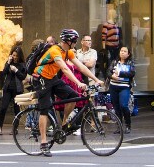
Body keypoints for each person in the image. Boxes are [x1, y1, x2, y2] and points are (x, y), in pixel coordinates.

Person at [33, 29, 102, 157]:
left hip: (52, 78)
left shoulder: (68, 52)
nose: (76, 43)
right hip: (41, 77)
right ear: (68, 41)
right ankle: (43, 143)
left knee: (74, 96)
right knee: (45, 109)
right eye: (75, 41)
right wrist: (78, 83)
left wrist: (96, 79)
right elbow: (65, 69)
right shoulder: (55, 51)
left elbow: (81, 67)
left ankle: (64, 123)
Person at [0, 46, 25, 134]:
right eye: (13, 55)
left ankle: (15, 128)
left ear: (19, 56)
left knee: (16, 109)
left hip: (17, 89)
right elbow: (4, 73)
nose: (15, 57)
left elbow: (22, 77)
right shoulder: (8, 63)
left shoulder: (22, 65)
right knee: (4, 107)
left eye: (16, 56)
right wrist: (8, 62)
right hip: (7, 88)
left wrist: (16, 70)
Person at [107, 46, 135, 134]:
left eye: (125, 51)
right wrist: (112, 76)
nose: (122, 52)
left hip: (124, 87)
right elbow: (108, 72)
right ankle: (119, 126)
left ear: (128, 54)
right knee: (116, 107)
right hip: (113, 86)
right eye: (121, 51)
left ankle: (128, 125)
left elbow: (132, 73)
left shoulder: (130, 63)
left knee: (123, 105)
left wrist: (119, 73)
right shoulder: (115, 62)